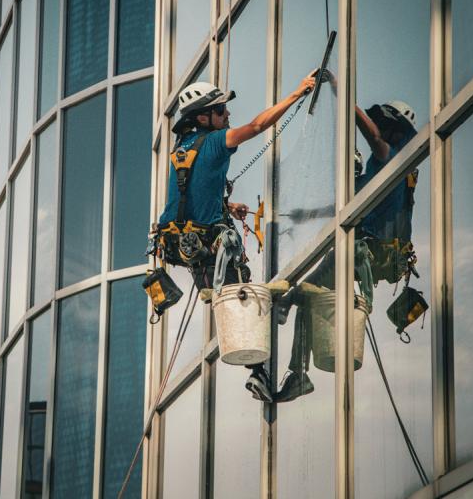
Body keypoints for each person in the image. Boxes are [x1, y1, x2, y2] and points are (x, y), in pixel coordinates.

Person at [153, 73, 318, 402]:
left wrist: (226, 205)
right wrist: (297, 94)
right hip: (210, 247)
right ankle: (260, 372)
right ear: (204, 117)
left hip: (184, 247)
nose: (228, 116)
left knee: (236, 297)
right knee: (245, 299)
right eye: (221, 110)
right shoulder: (214, 141)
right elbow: (258, 126)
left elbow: (188, 198)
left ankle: (262, 360)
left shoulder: (182, 150)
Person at [275, 99, 419, 402]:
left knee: (309, 284)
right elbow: (344, 204)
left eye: (383, 125)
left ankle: (288, 300)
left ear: (393, 130)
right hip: (369, 254)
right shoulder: (381, 175)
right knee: (307, 299)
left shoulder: (391, 159)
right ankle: (298, 372)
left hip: (367, 252)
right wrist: (306, 214)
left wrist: (342, 96)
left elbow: (375, 139)